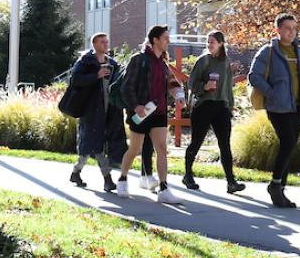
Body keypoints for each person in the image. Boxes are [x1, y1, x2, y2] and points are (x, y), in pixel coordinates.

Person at [248, 14, 300, 208]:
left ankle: (280, 189)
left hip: (298, 106)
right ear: (278, 30)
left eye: (294, 28)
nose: (292, 32)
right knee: (287, 142)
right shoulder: (268, 51)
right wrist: (272, 93)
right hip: (278, 107)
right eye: (287, 28)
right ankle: (275, 184)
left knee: (290, 144)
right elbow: (254, 76)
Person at [117, 25, 186, 204]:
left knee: (161, 149)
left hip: (159, 112)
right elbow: (127, 87)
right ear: (155, 40)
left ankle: (164, 189)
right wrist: (136, 105)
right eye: (165, 38)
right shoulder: (138, 59)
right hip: (141, 113)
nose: (168, 41)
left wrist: (179, 95)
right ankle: (123, 179)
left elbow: (172, 82)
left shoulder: (163, 63)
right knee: (134, 149)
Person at [183, 31, 246, 194]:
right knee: (196, 142)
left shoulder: (225, 61)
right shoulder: (203, 61)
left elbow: (228, 87)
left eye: (212, 42)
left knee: (224, 144)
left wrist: (230, 105)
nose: (209, 44)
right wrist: (204, 86)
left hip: (221, 107)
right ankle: (188, 175)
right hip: (204, 105)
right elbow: (191, 83)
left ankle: (231, 182)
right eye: (208, 41)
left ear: (221, 44)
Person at [69, 32, 126, 192]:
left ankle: (76, 172)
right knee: (96, 144)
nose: (106, 45)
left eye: (107, 42)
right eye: (102, 42)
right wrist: (96, 75)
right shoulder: (85, 62)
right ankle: (107, 180)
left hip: (110, 111)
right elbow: (76, 81)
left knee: (91, 146)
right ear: (94, 44)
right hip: (91, 111)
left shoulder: (113, 63)